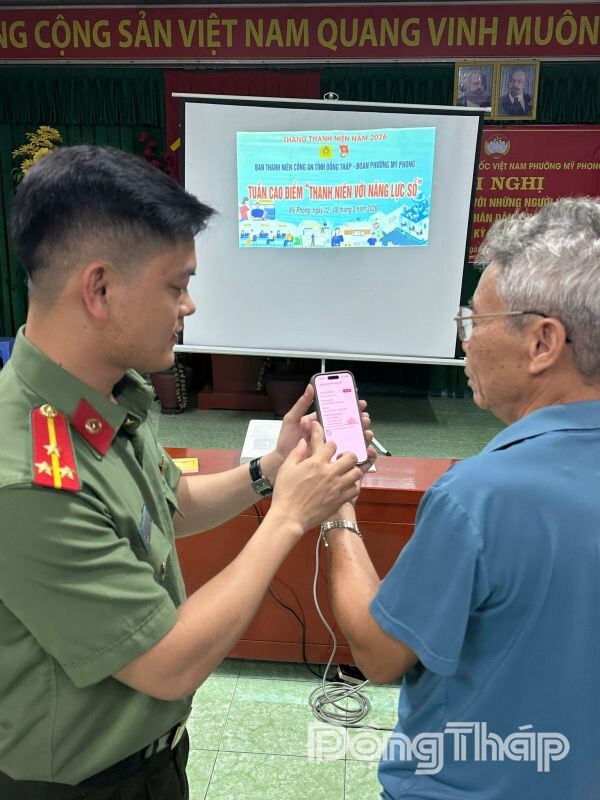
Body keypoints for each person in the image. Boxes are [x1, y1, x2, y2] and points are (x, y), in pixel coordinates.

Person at [0, 145, 374, 798]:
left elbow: (166, 506)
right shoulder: (28, 478)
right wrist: (288, 515)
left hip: (153, 758)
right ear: (99, 289)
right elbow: (167, 665)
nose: (189, 306)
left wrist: (272, 467)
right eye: (176, 286)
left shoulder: (104, 397)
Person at [323, 197, 600, 798]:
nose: (466, 344)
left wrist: (335, 505)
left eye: (476, 322)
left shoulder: (480, 497)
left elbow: (378, 654)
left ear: (543, 343)